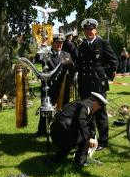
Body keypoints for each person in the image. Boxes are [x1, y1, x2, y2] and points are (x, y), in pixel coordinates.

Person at [75, 18, 118, 151]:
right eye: (86, 30)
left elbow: (114, 61)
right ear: (84, 31)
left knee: (101, 113)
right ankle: (91, 139)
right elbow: (79, 64)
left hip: (98, 85)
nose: (89, 32)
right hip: (85, 85)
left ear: (96, 30)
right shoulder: (82, 46)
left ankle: (104, 141)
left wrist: (106, 76)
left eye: (91, 29)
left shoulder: (103, 43)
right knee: (87, 114)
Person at [50, 92, 108, 166]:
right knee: (84, 136)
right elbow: (81, 121)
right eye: (99, 106)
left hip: (56, 133)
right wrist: (89, 139)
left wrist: (93, 136)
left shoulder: (81, 103)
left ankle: (58, 158)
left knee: (78, 134)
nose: (98, 109)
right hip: (63, 133)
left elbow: (91, 125)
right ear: (96, 102)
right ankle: (79, 162)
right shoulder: (85, 107)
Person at [34, 33, 74, 137]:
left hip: (62, 88)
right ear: (52, 43)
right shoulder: (46, 53)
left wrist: (73, 82)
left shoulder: (67, 55)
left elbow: (72, 69)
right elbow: (36, 59)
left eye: (61, 43)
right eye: (57, 42)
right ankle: (42, 131)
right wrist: (42, 47)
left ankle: (61, 129)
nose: (59, 45)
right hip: (49, 87)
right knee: (45, 110)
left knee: (63, 110)